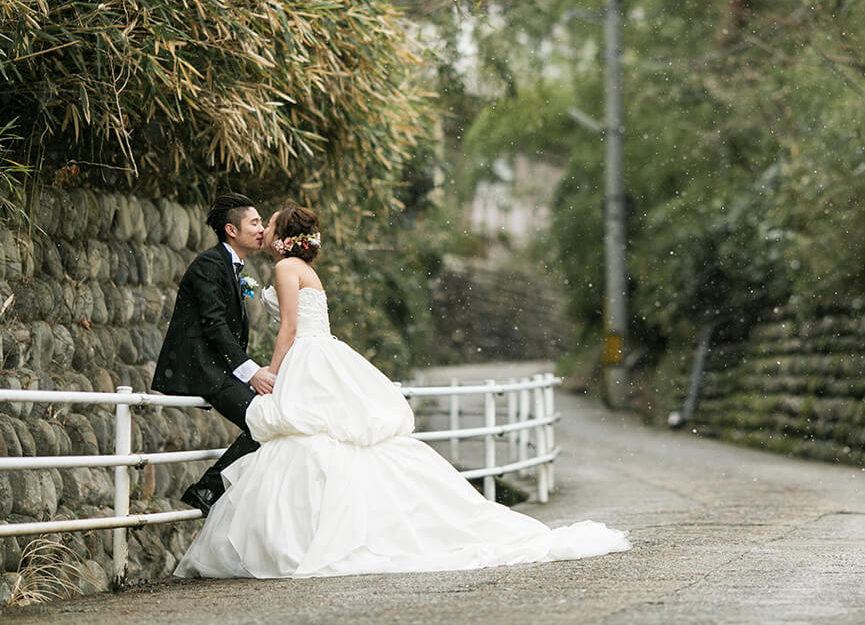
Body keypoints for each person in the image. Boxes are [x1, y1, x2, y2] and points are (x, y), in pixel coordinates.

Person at [175, 202, 630, 578]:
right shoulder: (296, 267)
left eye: (268, 224)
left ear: (281, 236)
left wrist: (270, 373)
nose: (263, 229)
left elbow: (290, 326)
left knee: (308, 438)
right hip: (320, 355)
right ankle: (322, 526)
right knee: (320, 441)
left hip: (305, 356)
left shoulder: (285, 268)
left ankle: (298, 530)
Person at [152, 193, 274, 515]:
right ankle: (207, 489)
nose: (261, 228)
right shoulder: (209, 264)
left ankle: (211, 491)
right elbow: (214, 325)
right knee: (265, 423)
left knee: (270, 422)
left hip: (220, 368)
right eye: (255, 222)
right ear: (232, 230)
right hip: (204, 368)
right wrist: (252, 371)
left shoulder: (232, 265)